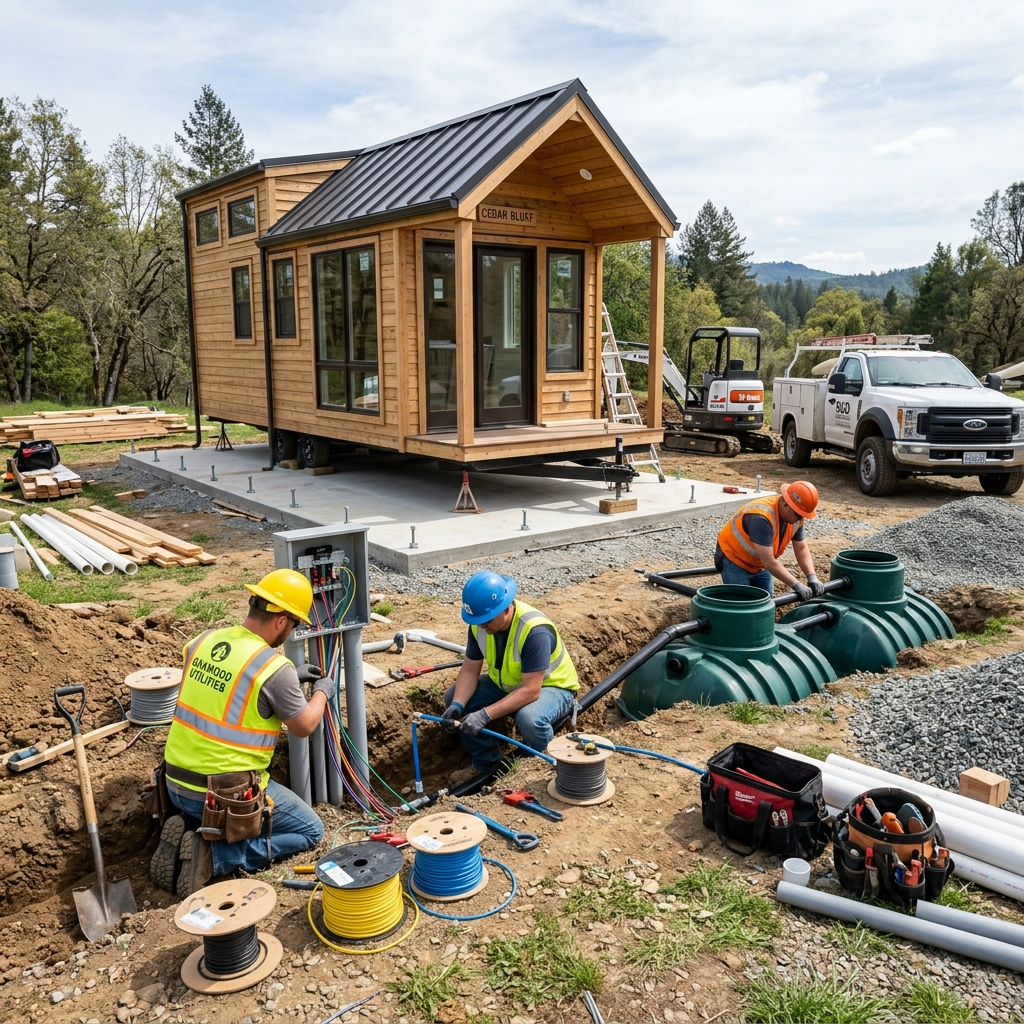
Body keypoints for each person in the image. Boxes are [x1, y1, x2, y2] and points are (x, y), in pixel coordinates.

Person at [149, 568, 332, 896]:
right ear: (281, 621)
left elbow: (229, 687)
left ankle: (188, 826)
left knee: (199, 799)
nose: (290, 632)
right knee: (311, 831)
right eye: (293, 625)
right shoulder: (274, 669)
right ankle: (214, 855)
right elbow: (304, 726)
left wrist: (290, 680)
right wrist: (322, 692)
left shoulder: (202, 641)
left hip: (174, 785)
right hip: (222, 797)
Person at [441, 571, 579, 785]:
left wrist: (484, 715)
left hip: (552, 687)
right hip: (508, 684)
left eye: (487, 620)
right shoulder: (480, 624)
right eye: (478, 621)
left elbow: (531, 691)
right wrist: (457, 705)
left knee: (530, 719)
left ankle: (535, 768)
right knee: (454, 696)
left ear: (506, 608)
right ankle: (486, 762)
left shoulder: (534, 630)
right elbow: (469, 670)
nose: (482, 626)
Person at [715, 480, 824, 599]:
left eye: (802, 515)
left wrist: (812, 576)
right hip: (733, 559)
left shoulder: (796, 518)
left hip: (759, 563)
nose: (800, 518)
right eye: (798, 514)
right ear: (785, 503)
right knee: (741, 603)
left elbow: (801, 548)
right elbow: (769, 562)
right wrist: (796, 585)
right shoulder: (761, 517)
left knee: (766, 600)